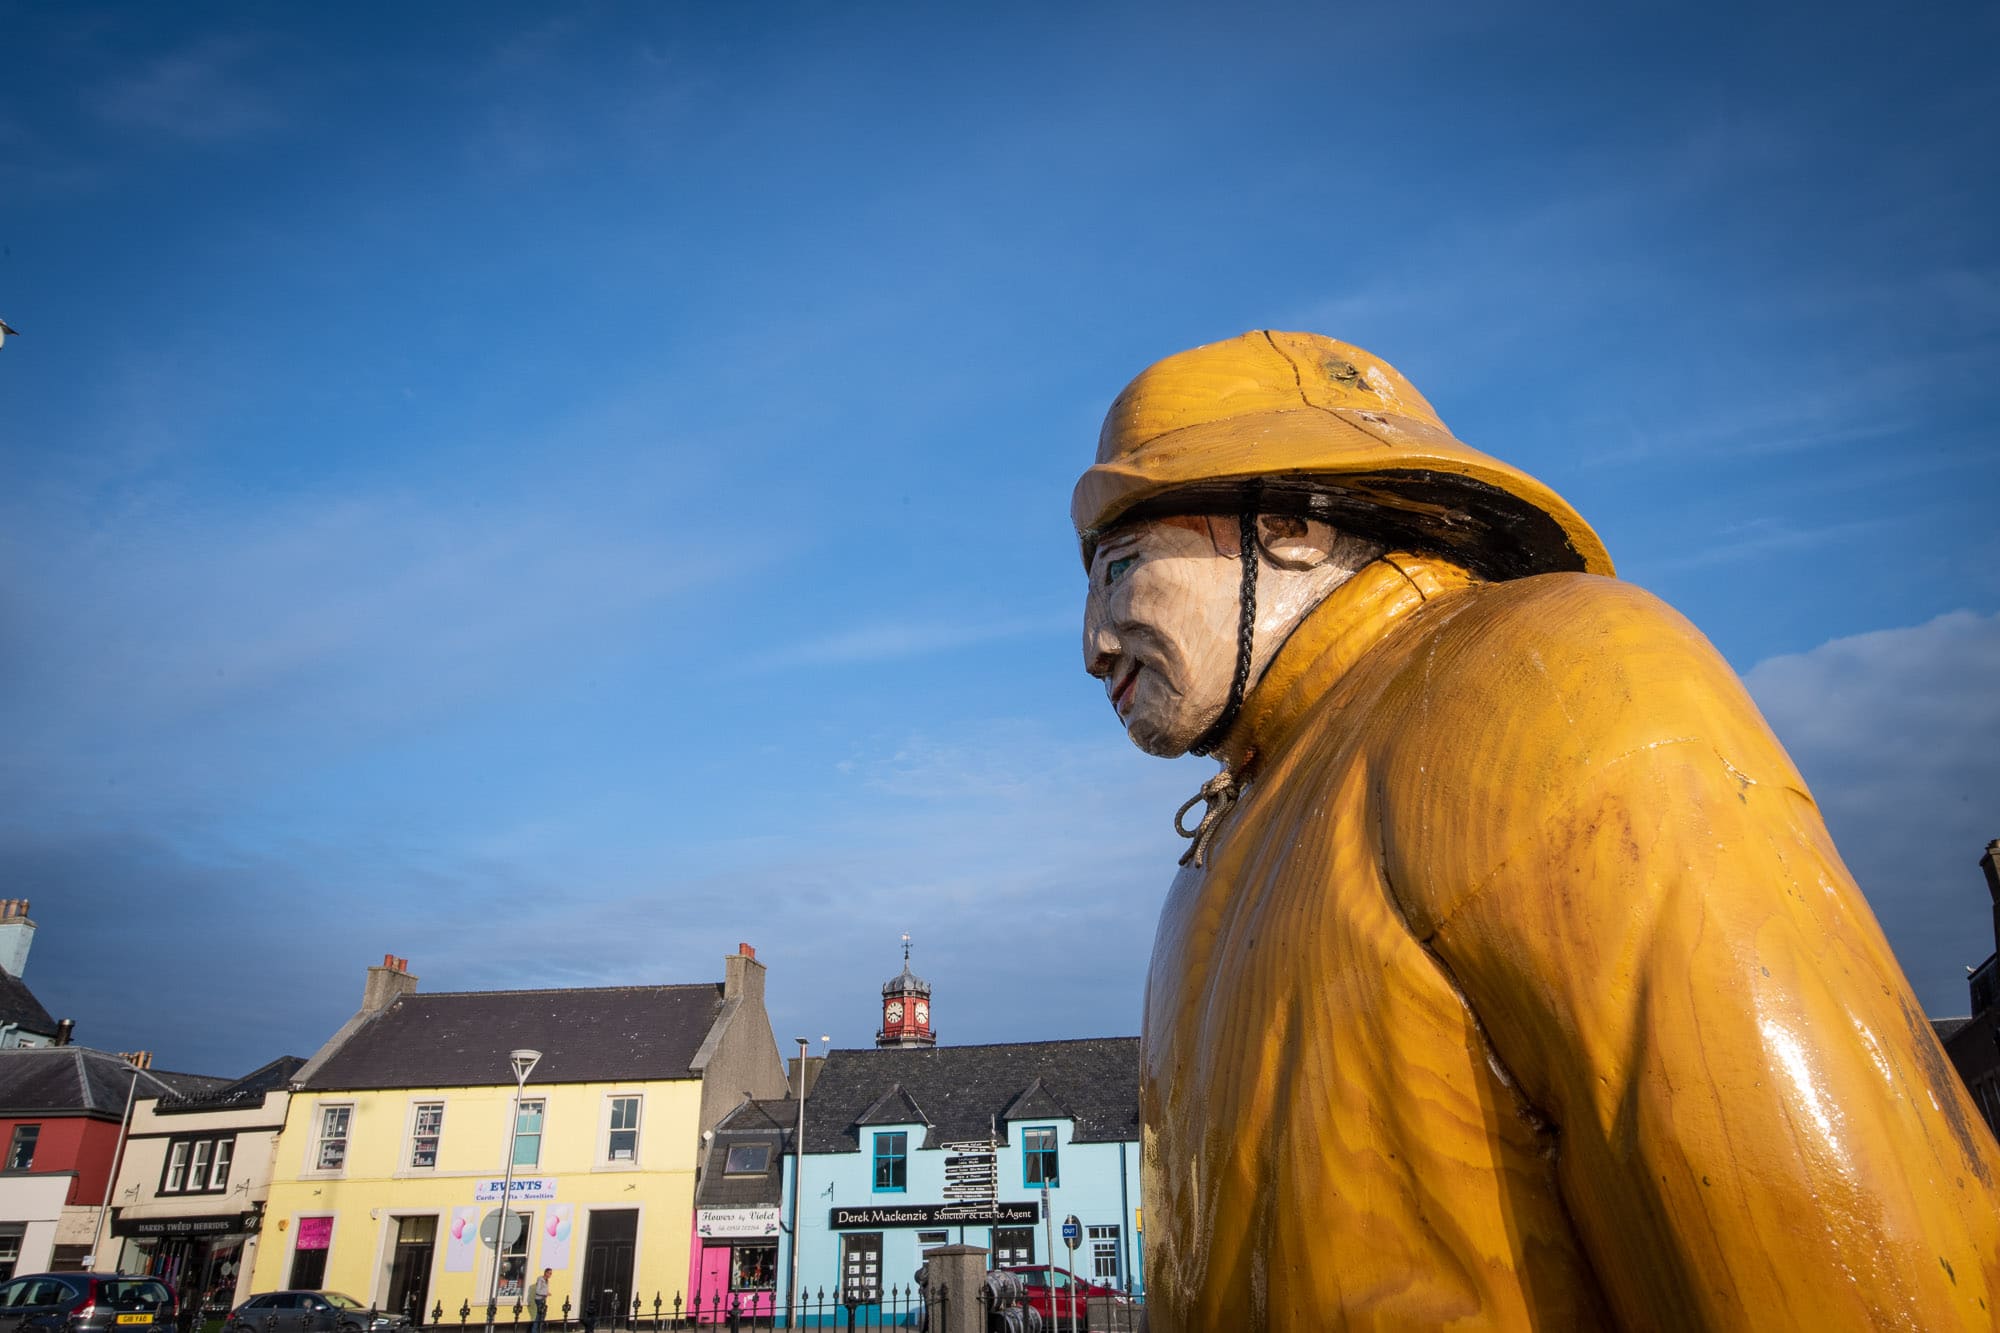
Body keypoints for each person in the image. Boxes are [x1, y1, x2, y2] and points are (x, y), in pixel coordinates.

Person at [1075, 331, 2000, 1330]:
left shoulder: (1555, 677)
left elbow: (1827, 1244)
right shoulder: (1208, 864)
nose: (1091, 645)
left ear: (1293, 522)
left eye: (1118, 566)